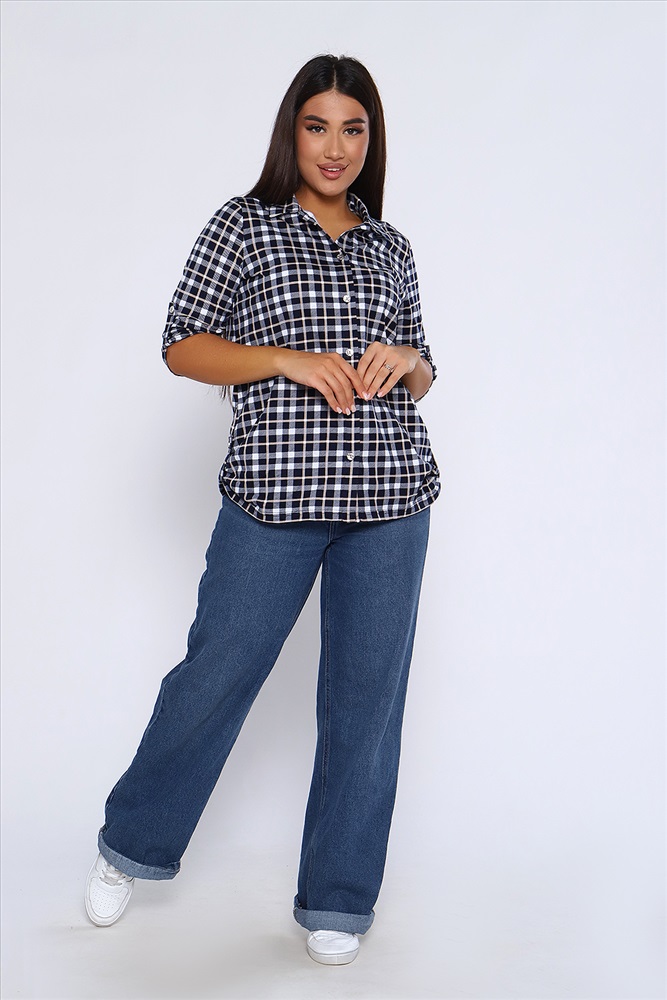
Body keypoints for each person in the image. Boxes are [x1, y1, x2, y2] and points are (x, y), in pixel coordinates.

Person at [84, 53, 440, 966]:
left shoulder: (390, 246)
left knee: (366, 702)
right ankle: (131, 844)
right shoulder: (243, 226)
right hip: (272, 496)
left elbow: (422, 369)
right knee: (217, 672)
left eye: (353, 129)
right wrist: (284, 359)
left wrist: (407, 361)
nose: (335, 147)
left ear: (371, 140)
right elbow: (182, 345)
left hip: (389, 498)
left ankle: (337, 900)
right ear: (292, 133)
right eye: (318, 126)